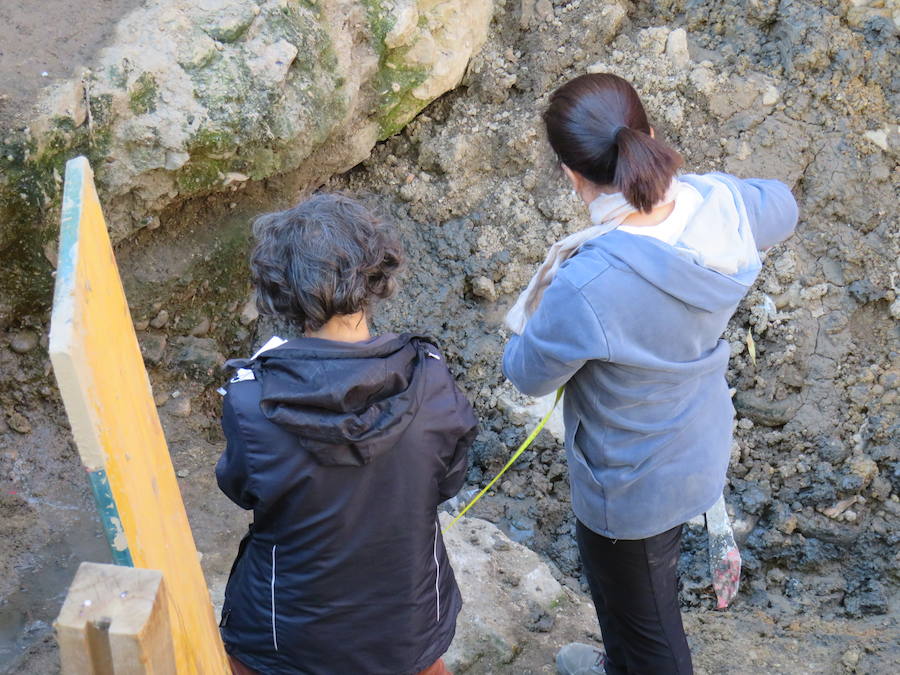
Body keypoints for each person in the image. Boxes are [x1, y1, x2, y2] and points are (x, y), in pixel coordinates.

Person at [502, 73, 798, 675]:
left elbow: (526, 375)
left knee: (649, 629)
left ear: (571, 174)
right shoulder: (723, 205)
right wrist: (698, 188)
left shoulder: (587, 281)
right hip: (699, 437)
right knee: (636, 604)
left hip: (628, 479)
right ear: (649, 136)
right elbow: (784, 204)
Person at [216, 194, 478, 675]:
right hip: (408, 626)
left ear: (279, 291)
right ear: (378, 277)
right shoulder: (432, 377)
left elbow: (242, 489)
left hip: (285, 636)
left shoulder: (250, 400)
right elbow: (446, 482)